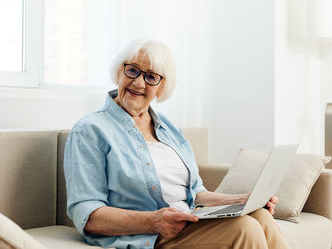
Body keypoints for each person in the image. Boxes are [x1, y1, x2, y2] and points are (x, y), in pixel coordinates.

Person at [64, 38, 290, 249]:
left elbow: (196, 194)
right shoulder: (90, 130)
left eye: (151, 77)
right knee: (245, 228)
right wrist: (153, 222)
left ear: (161, 87)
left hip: (187, 222)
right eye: (132, 70)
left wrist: (242, 200)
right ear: (118, 72)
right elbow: (86, 213)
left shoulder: (170, 130)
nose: (138, 82)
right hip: (148, 235)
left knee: (259, 216)